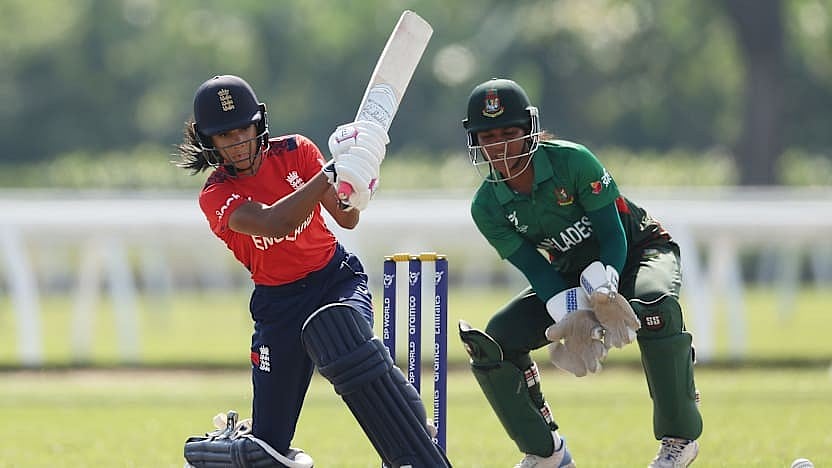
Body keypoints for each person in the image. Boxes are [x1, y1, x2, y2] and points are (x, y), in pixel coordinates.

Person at [176, 74, 450, 467]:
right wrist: (330, 172)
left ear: (259, 124)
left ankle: (410, 437)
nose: (237, 143)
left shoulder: (296, 151)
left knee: (341, 334)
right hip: (279, 306)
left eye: (243, 129)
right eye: (224, 136)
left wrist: (357, 178)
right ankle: (214, 450)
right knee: (267, 451)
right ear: (209, 141)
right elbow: (273, 223)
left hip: (335, 279)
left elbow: (347, 218)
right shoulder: (216, 193)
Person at [457, 78, 703, 468]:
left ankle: (679, 438)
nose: (500, 146)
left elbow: (613, 234)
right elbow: (535, 268)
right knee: (495, 342)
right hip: (570, 271)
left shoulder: (572, 161)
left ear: (530, 132)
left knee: (654, 307)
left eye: (509, 133)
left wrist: (603, 292)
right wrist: (572, 310)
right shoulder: (486, 206)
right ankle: (545, 451)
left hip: (638, 249)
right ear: (475, 141)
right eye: (489, 136)